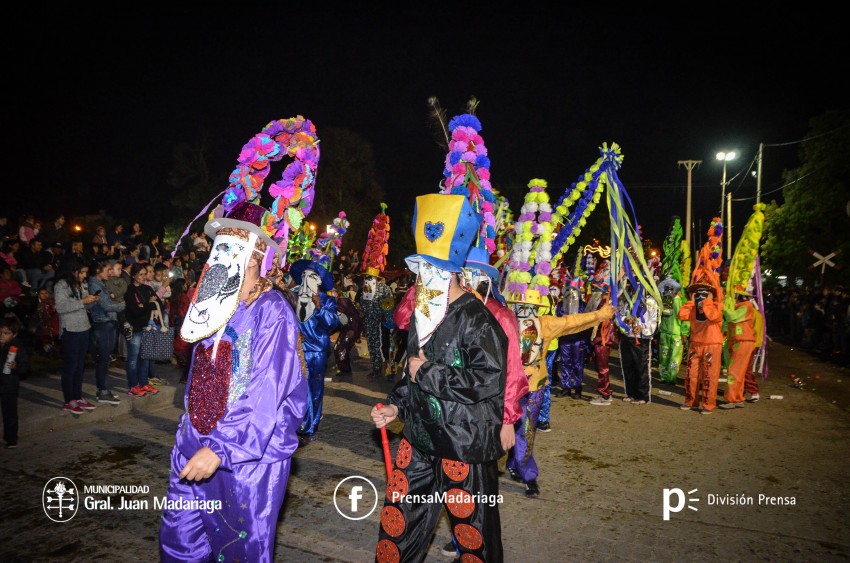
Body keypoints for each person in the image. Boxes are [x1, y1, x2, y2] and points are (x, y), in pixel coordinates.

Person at [370, 194, 506, 561]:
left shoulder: (479, 321)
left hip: (463, 445)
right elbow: (409, 371)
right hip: (417, 440)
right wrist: (396, 406)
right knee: (397, 529)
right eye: (420, 270)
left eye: (428, 271)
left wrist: (428, 373)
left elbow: (488, 380)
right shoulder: (422, 314)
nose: (420, 280)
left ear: (449, 273)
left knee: (474, 537)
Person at [506, 288, 614, 496]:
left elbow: (571, 322)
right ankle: (513, 463)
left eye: (531, 308)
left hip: (533, 387)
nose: (525, 311)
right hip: (509, 388)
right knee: (508, 428)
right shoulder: (504, 323)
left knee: (526, 431)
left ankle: (528, 475)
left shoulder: (545, 324)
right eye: (522, 307)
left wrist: (600, 315)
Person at [290, 258, 339, 443]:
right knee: (298, 387)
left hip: (316, 350)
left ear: (318, 281)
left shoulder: (327, 299)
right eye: (303, 275)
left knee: (314, 389)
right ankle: (298, 422)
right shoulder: (293, 297)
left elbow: (332, 323)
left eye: (311, 276)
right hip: (297, 349)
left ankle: (310, 426)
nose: (305, 279)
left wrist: (319, 307)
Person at [54, 258, 100, 414]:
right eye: (82, 272)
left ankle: (78, 396)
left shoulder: (80, 285)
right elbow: (60, 307)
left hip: (83, 327)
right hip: (70, 329)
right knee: (70, 366)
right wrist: (82, 301)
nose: (84, 275)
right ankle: (69, 400)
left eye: (86, 272)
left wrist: (93, 300)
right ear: (73, 271)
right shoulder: (61, 285)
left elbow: (85, 305)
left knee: (80, 366)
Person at [678, 279, 724, 414]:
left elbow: (713, 316)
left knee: (709, 376)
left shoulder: (716, 306)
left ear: (710, 295)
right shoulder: (692, 309)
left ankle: (708, 404)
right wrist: (691, 302)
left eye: (704, 293)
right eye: (697, 294)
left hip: (712, 345)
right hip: (695, 344)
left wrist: (707, 302)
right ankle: (691, 401)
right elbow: (681, 315)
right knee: (691, 375)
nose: (700, 296)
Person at [87, 259, 124, 404]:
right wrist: (123, 305)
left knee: (106, 357)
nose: (110, 272)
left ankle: (103, 389)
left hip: (108, 322)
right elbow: (105, 305)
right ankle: (102, 390)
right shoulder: (94, 284)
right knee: (103, 358)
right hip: (103, 323)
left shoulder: (100, 284)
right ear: (98, 270)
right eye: (107, 270)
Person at [616, 280, 660, 405]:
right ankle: (631, 393)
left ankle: (642, 395)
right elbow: (621, 314)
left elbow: (654, 321)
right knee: (628, 366)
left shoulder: (651, 302)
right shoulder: (627, 299)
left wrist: (641, 326)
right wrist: (626, 320)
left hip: (641, 339)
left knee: (641, 367)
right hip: (627, 336)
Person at [123, 263, 162, 397]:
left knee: (145, 357)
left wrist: (144, 305)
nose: (144, 277)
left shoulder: (147, 288)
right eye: (141, 274)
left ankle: (144, 382)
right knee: (133, 358)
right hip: (136, 328)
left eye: (145, 274)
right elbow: (134, 311)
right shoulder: (130, 291)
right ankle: (133, 385)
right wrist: (148, 304)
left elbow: (159, 304)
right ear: (134, 275)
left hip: (148, 327)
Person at [720, 287, 758, 409]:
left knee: (734, 371)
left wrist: (722, 306)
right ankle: (737, 398)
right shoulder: (742, 306)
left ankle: (731, 399)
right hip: (738, 341)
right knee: (738, 372)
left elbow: (732, 317)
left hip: (742, 341)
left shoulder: (746, 305)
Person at [0, 317, 29, 449]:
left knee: (10, 412)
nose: (2, 336)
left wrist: (16, 366)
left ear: (14, 334)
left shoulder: (17, 347)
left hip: (9, 385)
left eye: (6, 333)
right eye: (0, 333)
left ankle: (11, 438)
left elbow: (25, 368)